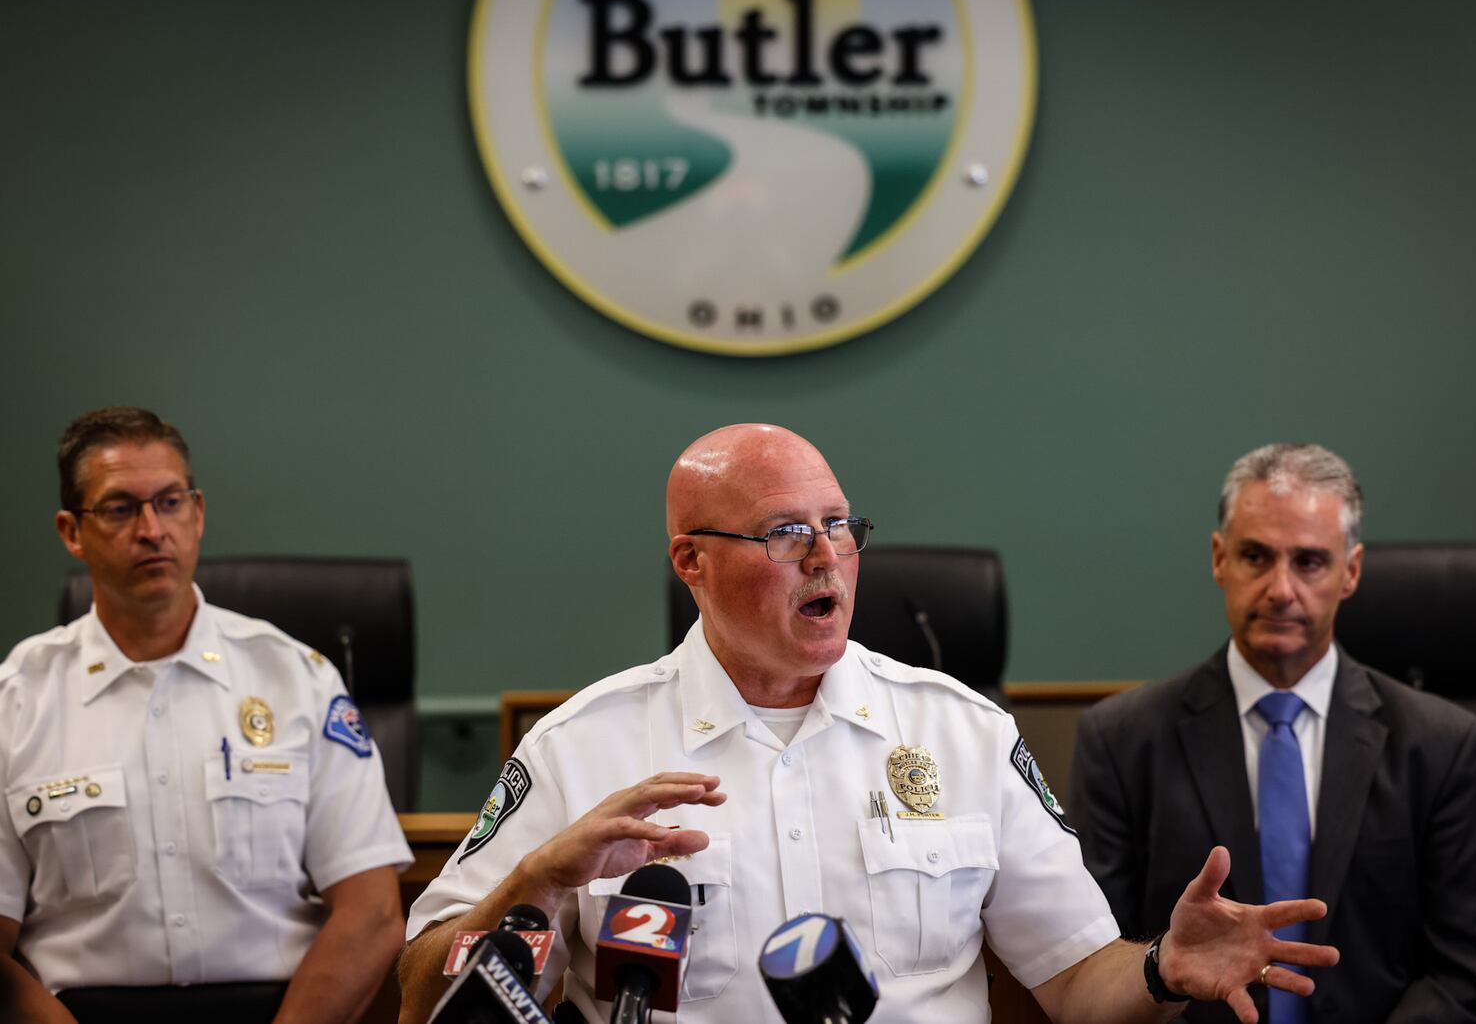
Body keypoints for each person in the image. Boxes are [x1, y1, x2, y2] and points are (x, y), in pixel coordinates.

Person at [400, 424, 1337, 1024]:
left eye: (840, 527)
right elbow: (419, 997)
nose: (827, 558)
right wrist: (534, 881)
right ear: (691, 559)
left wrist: (1163, 969)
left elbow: (1076, 980)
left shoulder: (961, 735)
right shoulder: (581, 749)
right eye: (783, 534)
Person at [0, 407, 414, 1023]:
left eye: (169, 502)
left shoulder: (297, 679)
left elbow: (372, 912)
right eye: (119, 508)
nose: (151, 529)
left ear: (197, 513)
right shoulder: (18, 700)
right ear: (71, 532)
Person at [1064, 443, 1476, 1022]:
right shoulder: (1121, 741)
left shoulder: (1440, 745)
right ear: (1219, 559)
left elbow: (1465, 982)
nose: (1280, 589)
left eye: (1309, 562)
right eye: (1255, 556)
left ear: (1351, 571)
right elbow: (1090, 968)